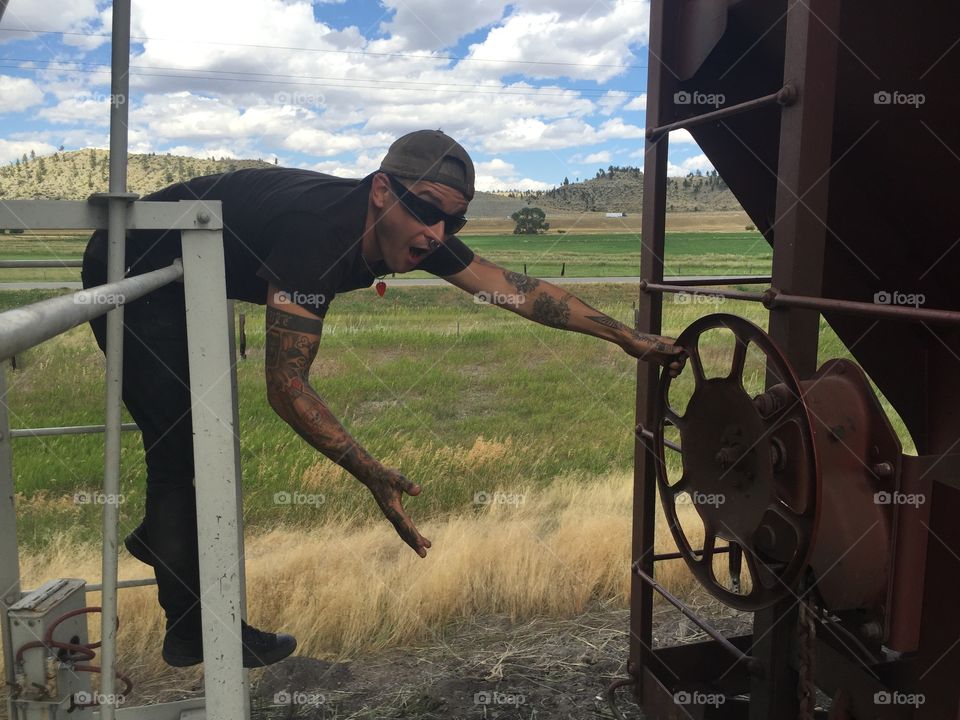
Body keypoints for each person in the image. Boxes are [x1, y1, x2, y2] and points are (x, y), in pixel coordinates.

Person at [81, 129, 684, 669]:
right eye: (424, 211)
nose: (436, 235)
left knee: (191, 449)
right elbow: (287, 387)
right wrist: (368, 471)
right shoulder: (318, 233)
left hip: (189, 268)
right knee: (185, 451)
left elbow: (512, 290)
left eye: (454, 222)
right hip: (132, 272)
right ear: (379, 192)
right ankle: (191, 631)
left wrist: (625, 337)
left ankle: (162, 541)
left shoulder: (417, 228)